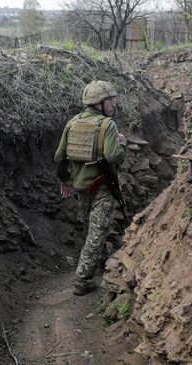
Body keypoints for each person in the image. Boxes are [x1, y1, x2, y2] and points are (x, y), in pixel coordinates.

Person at [54, 80, 127, 296]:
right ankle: (82, 281)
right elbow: (114, 156)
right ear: (99, 103)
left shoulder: (72, 123)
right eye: (110, 100)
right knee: (96, 233)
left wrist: (64, 179)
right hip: (103, 187)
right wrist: (122, 143)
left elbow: (59, 157)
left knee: (94, 230)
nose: (113, 105)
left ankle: (104, 262)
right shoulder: (108, 125)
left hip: (81, 188)